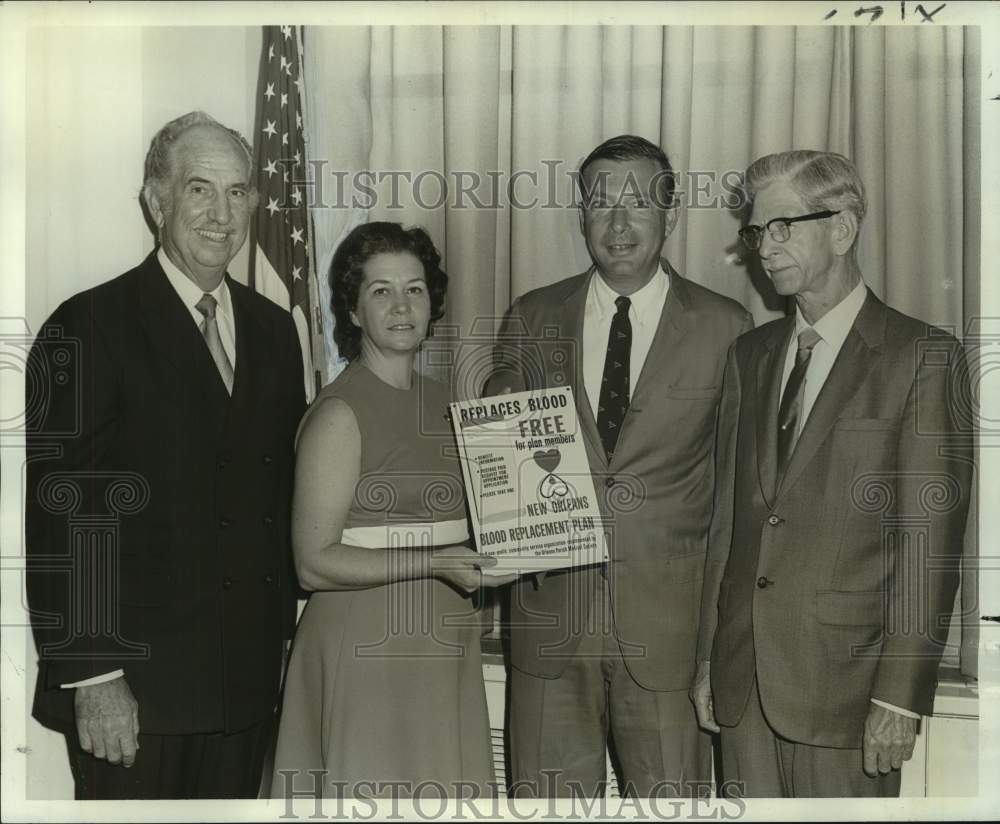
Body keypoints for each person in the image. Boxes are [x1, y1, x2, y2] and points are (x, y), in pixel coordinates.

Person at [24, 111, 306, 799]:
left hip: (244, 688)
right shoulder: (90, 324)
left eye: (238, 192)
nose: (221, 214)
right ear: (157, 202)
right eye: (200, 189)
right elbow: (66, 515)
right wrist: (94, 677)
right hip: (134, 696)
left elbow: (279, 500)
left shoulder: (273, 331)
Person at [691, 150, 973, 797]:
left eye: (783, 226)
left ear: (843, 229)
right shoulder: (750, 356)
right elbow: (726, 528)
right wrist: (710, 655)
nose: (766, 247)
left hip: (849, 695)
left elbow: (928, 548)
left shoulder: (924, 357)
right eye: (758, 231)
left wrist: (899, 699)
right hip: (743, 686)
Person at [487, 135, 753, 798]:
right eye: (600, 203)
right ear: (581, 216)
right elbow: (504, 469)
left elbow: (732, 507)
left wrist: (714, 645)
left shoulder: (727, 327)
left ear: (672, 213)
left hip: (667, 640)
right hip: (551, 633)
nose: (618, 223)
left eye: (638, 203)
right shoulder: (532, 316)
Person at [270, 221, 515, 800]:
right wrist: (435, 563)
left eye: (415, 288)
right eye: (380, 291)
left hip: (442, 645)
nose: (402, 306)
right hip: (366, 652)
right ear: (353, 312)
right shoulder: (339, 413)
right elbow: (313, 564)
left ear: (433, 301)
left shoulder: (450, 405)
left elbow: (472, 534)